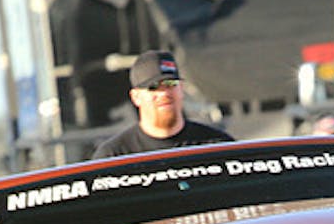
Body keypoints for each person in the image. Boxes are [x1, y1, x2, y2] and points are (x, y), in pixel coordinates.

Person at [92, 50, 234, 159]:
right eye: (153, 87)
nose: (164, 93)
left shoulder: (216, 146)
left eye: (170, 84)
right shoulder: (115, 155)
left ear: (181, 89)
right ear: (136, 97)